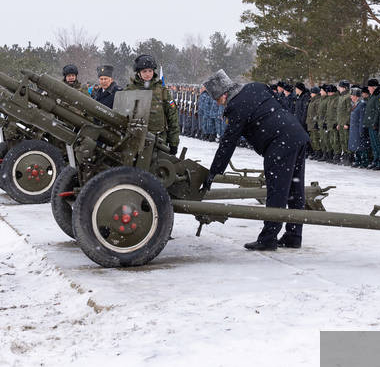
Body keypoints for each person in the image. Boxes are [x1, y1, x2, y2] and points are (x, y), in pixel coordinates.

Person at [201, 69, 309, 250]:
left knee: (278, 191)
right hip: (296, 134)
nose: (219, 104)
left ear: (224, 94)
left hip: (279, 143)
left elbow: (228, 143)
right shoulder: (256, 87)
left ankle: (268, 238)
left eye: (218, 100)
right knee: (295, 188)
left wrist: (214, 172)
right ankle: (293, 235)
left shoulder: (236, 107)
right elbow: (279, 103)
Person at [125, 54, 179, 154]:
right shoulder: (130, 90)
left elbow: (173, 118)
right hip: (135, 138)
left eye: (150, 71)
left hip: (158, 141)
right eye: (144, 71)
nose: (147, 74)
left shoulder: (163, 91)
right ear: (138, 73)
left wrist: (173, 143)